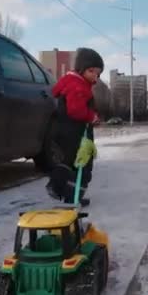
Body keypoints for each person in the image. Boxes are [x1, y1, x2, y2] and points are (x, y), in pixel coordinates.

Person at [46, 47, 103, 206]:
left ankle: (72, 194)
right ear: (81, 69)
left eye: (98, 73)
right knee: (80, 164)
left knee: (75, 163)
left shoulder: (78, 84)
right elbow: (75, 110)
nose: (95, 76)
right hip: (73, 134)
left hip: (72, 132)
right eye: (91, 71)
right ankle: (62, 190)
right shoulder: (77, 86)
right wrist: (91, 116)